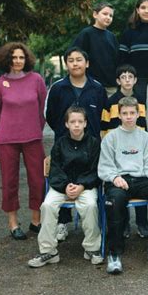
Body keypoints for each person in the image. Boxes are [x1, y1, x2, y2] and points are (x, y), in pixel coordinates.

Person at [98, 96, 148, 274]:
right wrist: (114, 177)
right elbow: (104, 166)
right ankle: (115, 253)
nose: (129, 117)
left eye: (132, 113)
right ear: (119, 115)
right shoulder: (111, 138)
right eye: (125, 113)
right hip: (118, 180)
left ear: (138, 114)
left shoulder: (145, 138)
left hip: (141, 179)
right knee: (115, 200)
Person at [27, 106, 103, 268]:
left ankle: (92, 248)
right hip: (62, 186)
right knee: (47, 206)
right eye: (72, 121)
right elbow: (55, 169)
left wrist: (82, 186)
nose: (76, 125)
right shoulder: (60, 144)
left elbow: (95, 170)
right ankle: (48, 251)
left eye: (80, 121)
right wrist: (65, 186)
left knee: (90, 205)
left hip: (85, 185)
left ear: (85, 123)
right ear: (67, 124)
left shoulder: (94, 144)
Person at [45, 46, 107, 241]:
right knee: (64, 178)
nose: (75, 63)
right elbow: (51, 116)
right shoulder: (57, 88)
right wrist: (65, 133)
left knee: (89, 180)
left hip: (91, 146)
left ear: (86, 63)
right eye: (71, 60)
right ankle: (62, 223)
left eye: (79, 59)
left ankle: (93, 225)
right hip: (64, 144)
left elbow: (104, 115)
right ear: (67, 64)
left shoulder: (97, 88)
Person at [0, 42, 47, 240]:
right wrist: (9, 129)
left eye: (21, 57)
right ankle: (13, 222)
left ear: (27, 59)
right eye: (14, 57)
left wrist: (33, 128)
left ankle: (36, 220)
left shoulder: (37, 80)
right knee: (9, 181)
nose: (17, 61)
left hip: (33, 137)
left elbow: (42, 110)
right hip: (7, 139)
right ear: (7, 59)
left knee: (38, 180)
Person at [100, 64, 148, 239]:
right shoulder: (111, 101)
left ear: (135, 80)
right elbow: (105, 127)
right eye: (123, 77)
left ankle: (143, 223)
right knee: (123, 185)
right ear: (118, 80)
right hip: (118, 151)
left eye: (130, 77)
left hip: (139, 149)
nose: (127, 80)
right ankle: (125, 223)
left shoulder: (142, 99)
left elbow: (146, 124)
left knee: (141, 179)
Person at [71, 1, 119, 96]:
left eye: (111, 15)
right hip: (90, 86)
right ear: (95, 14)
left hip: (111, 86)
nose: (108, 17)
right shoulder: (86, 34)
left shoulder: (112, 37)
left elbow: (117, 60)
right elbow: (75, 56)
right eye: (105, 14)